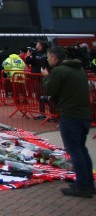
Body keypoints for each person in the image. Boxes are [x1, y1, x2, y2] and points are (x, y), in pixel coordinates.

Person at [43, 45, 94, 198]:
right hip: (83, 115)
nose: (47, 59)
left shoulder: (59, 71)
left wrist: (46, 76)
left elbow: (49, 89)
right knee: (82, 150)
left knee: (75, 151)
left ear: (53, 57)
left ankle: (83, 186)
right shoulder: (78, 70)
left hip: (70, 115)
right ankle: (88, 183)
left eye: (48, 57)